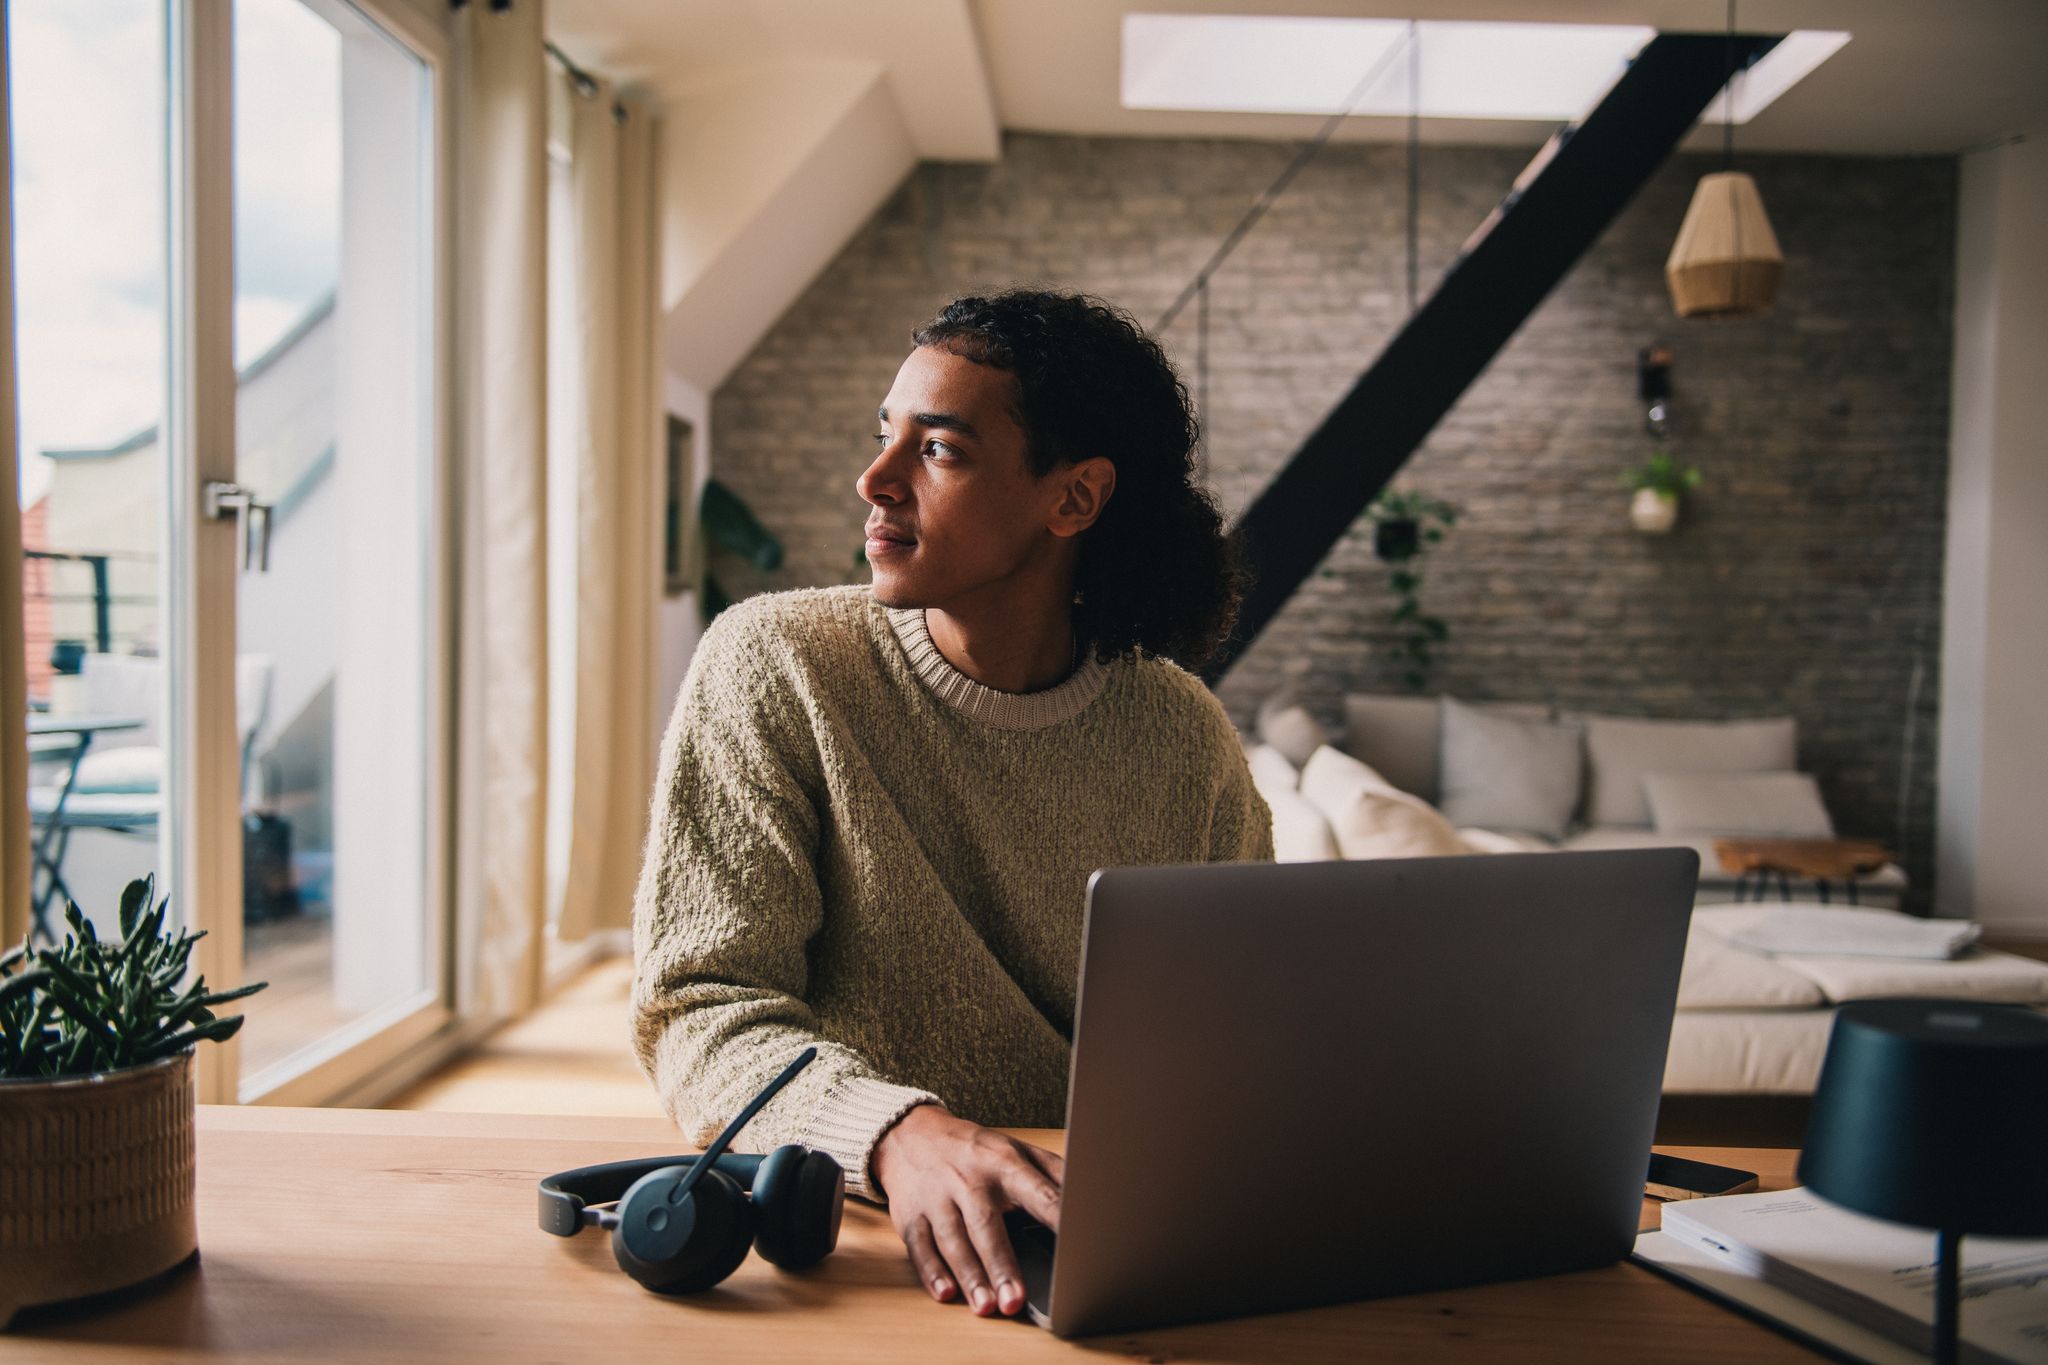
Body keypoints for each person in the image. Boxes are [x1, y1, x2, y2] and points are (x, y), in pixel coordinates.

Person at [630, 288, 1272, 1321]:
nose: (872, 480)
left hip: (1097, 1234)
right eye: (885, 437)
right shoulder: (773, 665)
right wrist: (892, 1132)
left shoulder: (1181, 738)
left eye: (937, 450)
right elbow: (699, 1004)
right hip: (869, 1229)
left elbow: (1239, 1037)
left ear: (1072, 500)